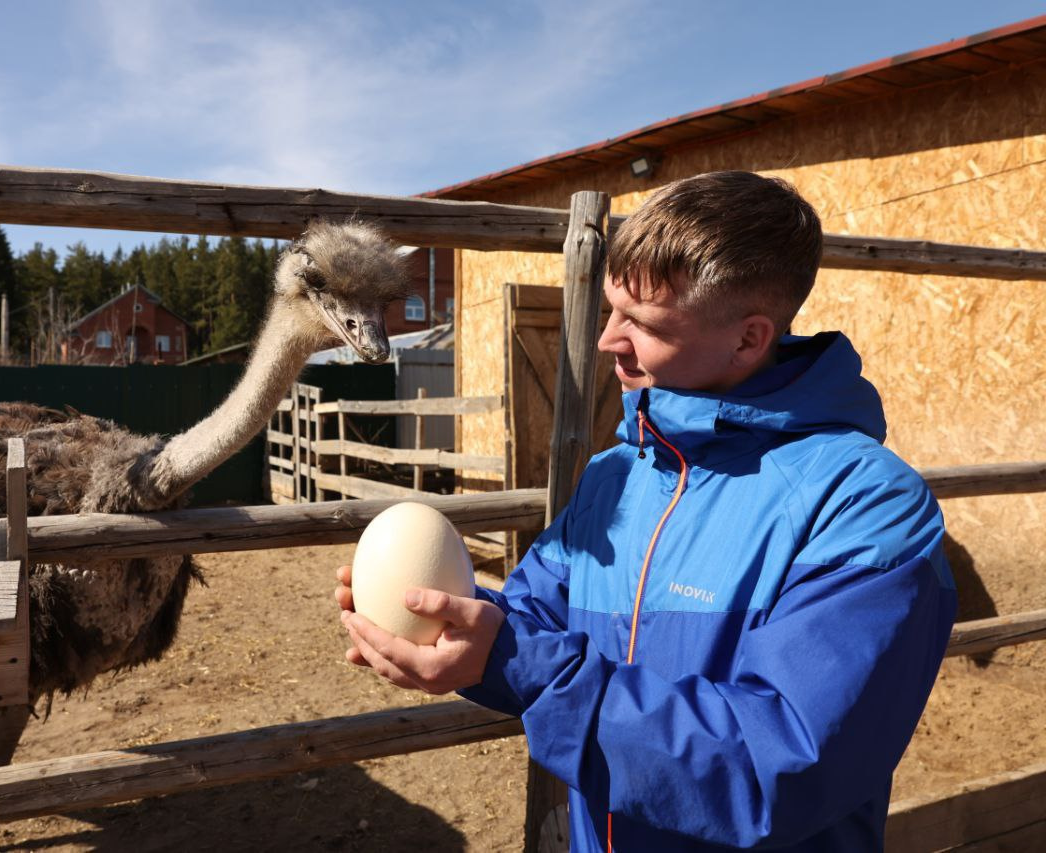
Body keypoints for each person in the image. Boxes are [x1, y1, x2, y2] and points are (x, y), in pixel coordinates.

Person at [335, 171, 956, 852]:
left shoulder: (868, 510)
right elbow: (535, 613)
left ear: (749, 339)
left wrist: (513, 663)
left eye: (643, 323)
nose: (607, 341)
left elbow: (778, 764)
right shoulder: (619, 476)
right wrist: (448, 614)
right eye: (610, 309)